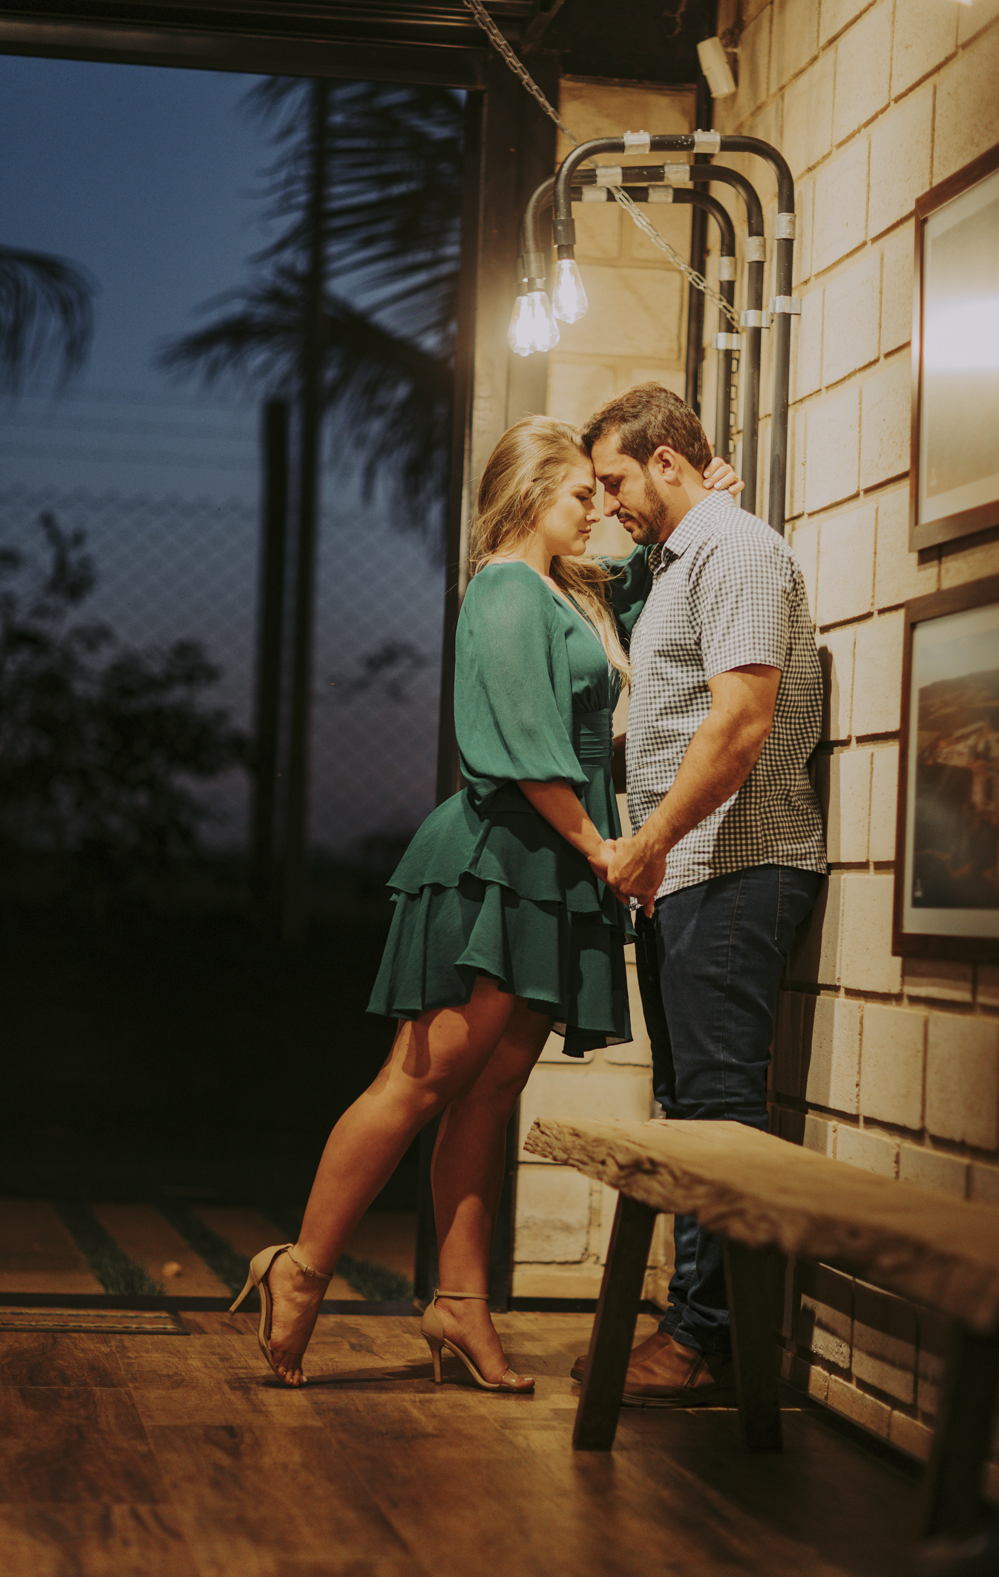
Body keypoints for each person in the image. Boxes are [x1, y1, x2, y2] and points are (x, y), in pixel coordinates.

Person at [232, 412, 739, 1392]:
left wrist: (701, 505)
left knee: (490, 1091)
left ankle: (459, 1308)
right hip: (501, 858)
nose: (594, 509)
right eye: (575, 495)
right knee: (418, 1079)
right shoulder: (505, 591)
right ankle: (298, 1267)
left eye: (598, 495)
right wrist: (600, 844)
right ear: (522, 497)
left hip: (544, 866)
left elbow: (637, 591)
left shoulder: (562, 590)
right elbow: (515, 744)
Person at [574, 383, 827, 1406]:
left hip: (730, 865)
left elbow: (739, 722)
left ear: (668, 461)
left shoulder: (734, 550)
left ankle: (709, 1343)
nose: (605, 502)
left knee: (718, 1115)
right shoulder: (682, 559)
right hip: (689, 872)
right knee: (687, 1109)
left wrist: (649, 843)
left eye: (616, 479)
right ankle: (694, 1326)